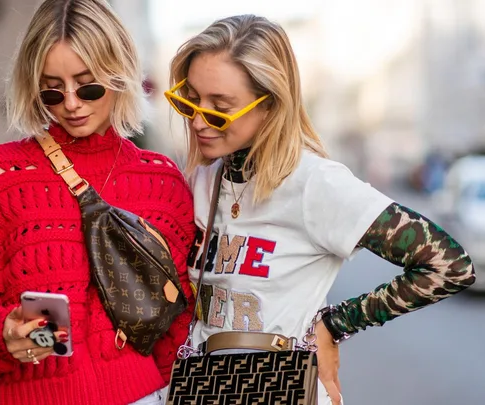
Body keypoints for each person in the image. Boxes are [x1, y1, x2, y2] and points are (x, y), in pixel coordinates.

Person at [165, 14, 475, 405]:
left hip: (280, 388)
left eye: (218, 108)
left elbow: (449, 264)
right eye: (189, 99)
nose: (196, 120)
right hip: (204, 386)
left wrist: (336, 324)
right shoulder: (205, 180)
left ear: (270, 107)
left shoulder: (316, 183)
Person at [0, 1, 195, 404]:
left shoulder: (162, 181)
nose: (71, 103)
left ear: (119, 75)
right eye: (52, 88)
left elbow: (179, 329)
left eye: (88, 86)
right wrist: (3, 333)